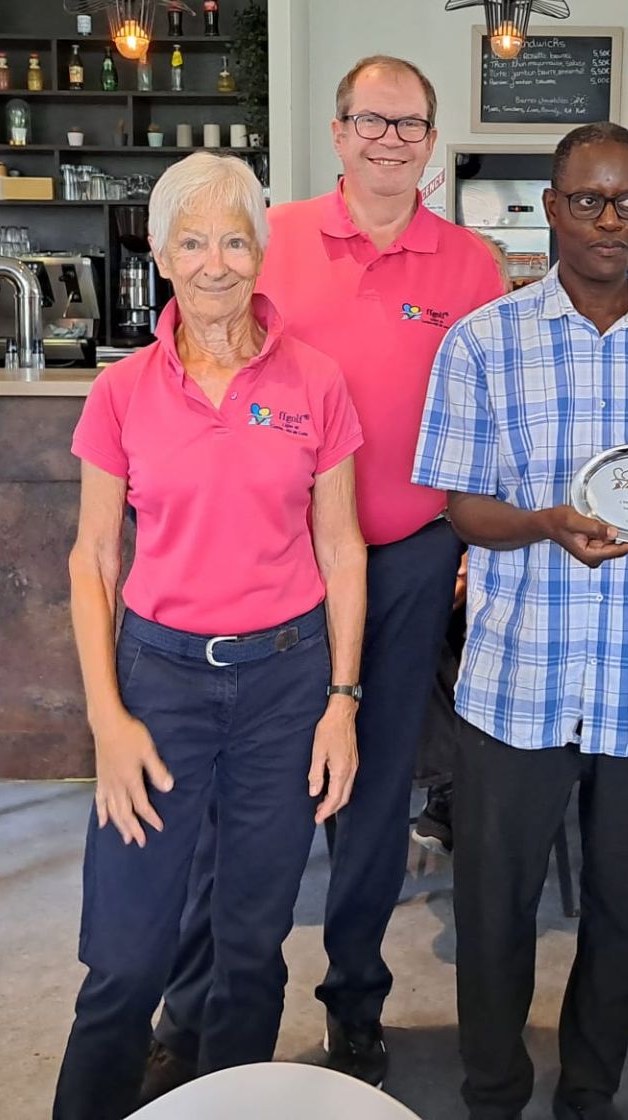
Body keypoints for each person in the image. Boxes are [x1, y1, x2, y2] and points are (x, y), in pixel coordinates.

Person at [146, 58, 505, 1094]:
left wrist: (471, 542)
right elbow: (210, 361)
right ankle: (192, 1009)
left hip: (411, 563)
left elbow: (492, 419)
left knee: (374, 795)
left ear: (431, 141)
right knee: (234, 796)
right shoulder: (273, 237)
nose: (390, 139)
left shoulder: (471, 266)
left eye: (410, 124)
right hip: (277, 564)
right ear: (339, 131)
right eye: (371, 120)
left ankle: (355, 1002)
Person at [414, 122, 628, 1120]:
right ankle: (493, 1092)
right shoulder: (483, 342)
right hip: (515, 683)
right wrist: (542, 523)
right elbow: (460, 508)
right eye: (588, 200)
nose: (611, 221)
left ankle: (589, 1094)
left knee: (625, 917)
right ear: (552, 209)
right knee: (494, 914)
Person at [52, 154, 367, 1120]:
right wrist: (107, 720)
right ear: (160, 255)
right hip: (160, 682)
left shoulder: (316, 381)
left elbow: (342, 546)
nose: (215, 262)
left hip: (285, 685)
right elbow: (92, 559)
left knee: (251, 948)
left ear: (262, 252)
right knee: (126, 952)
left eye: (235, 239)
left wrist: (342, 703)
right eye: (192, 242)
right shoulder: (122, 391)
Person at [412, 228, 515, 857]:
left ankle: (454, 788)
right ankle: (448, 784)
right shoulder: (444, 351)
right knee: (412, 629)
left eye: (492, 281)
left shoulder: (528, 359)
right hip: (442, 538)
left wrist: (474, 563)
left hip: (513, 553)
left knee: (451, 633)